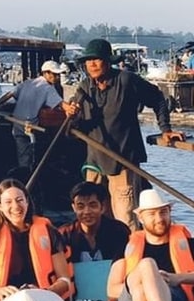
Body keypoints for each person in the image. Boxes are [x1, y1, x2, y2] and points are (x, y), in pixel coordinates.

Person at [69, 38, 180, 230]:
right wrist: (71, 113)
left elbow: (158, 98)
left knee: (125, 216)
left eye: (97, 60)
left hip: (122, 160)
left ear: (108, 61)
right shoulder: (85, 88)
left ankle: (131, 253)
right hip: (94, 161)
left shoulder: (126, 81)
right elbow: (76, 125)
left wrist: (165, 129)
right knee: (92, 214)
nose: (92, 65)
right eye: (88, 61)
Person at [0, 179, 74, 301]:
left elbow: (64, 279)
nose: (16, 206)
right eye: (8, 202)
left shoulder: (48, 231)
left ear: (27, 202)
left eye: (19, 200)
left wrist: (43, 293)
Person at [0, 60, 69, 170]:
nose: (57, 77)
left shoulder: (27, 83)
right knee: (36, 157)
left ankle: (24, 175)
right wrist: (71, 109)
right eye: (55, 74)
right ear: (46, 73)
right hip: (31, 127)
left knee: (23, 156)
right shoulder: (48, 88)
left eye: (58, 75)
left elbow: (9, 95)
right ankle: (32, 176)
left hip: (17, 124)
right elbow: (61, 104)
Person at [57, 181, 130, 263]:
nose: (87, 211)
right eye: (80, 206)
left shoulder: (119, 231)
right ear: (74, 208)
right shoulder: (64, 235)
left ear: (102, 207)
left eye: (93, 205)